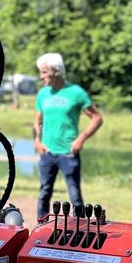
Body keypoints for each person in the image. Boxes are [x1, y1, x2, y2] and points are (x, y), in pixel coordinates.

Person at [33, 53, 102, 223]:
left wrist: (81, 139)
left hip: (68, 154)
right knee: (43, 194)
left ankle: (80, 229)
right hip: (47, 153)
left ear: (56, 72)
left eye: (44, 72)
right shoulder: (43, 94)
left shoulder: (76, 93)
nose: (41, 76)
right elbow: (37, 120)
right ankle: (40, 229)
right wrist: (37, 140)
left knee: (75, 196)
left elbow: (97, 118)